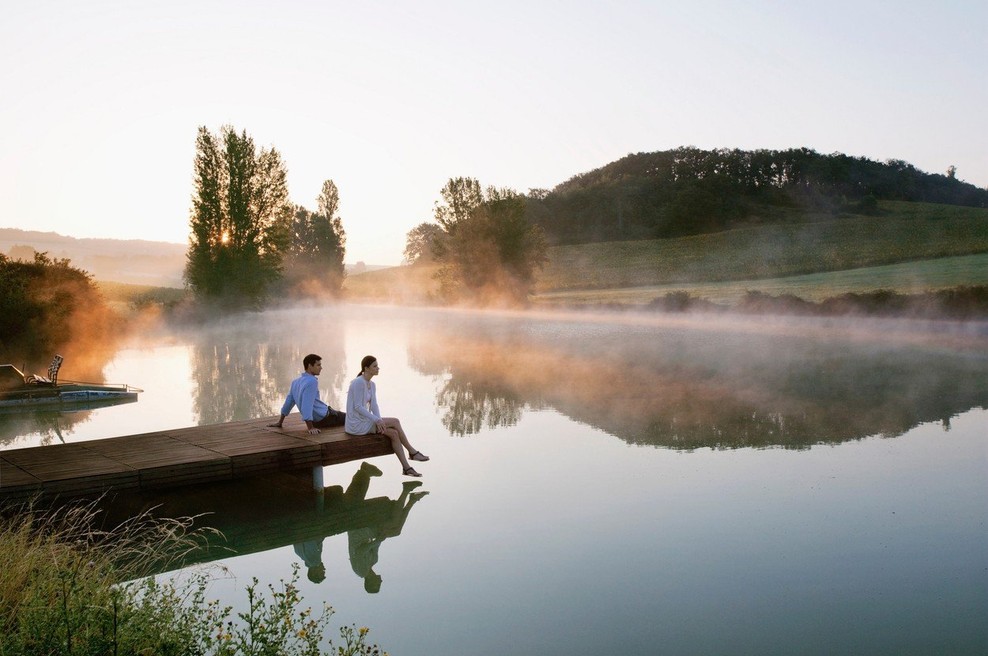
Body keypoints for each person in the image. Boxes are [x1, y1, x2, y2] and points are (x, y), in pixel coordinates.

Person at [345, 355, 429, 476]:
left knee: (394, 433)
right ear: (366, 368)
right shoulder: (359, 382)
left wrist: (379, 421)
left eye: (377, 366)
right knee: (395, 422)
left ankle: (406, 468)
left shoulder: (372, 384)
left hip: (365, 421)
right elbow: (358, 407)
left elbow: (374, 405)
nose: (378, 368)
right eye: (375, 366)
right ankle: (412, 452)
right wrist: (377, 420)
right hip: (355, 424)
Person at [269, 353, 346, 434]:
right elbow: (306, 405)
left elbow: (288, 403)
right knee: (352, 417)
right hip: (326, 418)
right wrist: (310, 428)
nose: (321, 368)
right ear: (310, 366)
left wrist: (280, 422)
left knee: (344, 415)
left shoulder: (295, 382)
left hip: (317, 420)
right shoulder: (312, 381)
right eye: (318, 365)